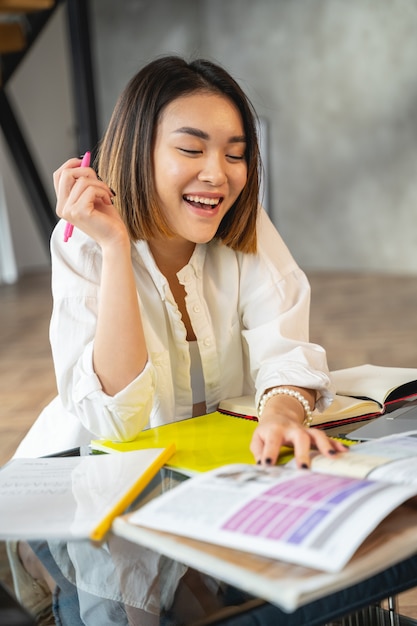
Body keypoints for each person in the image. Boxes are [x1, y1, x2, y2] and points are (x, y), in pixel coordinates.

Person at [10, 55, 347, 623]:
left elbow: (284, 347)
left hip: (195, 471)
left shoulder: (244, 226)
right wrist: (116, 247)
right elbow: (116, 419)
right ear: (138, 150)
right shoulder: (83, 243)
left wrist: (285, 413)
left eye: (236, 153)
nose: (219, 173)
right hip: (85, 485)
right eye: (191, 150)